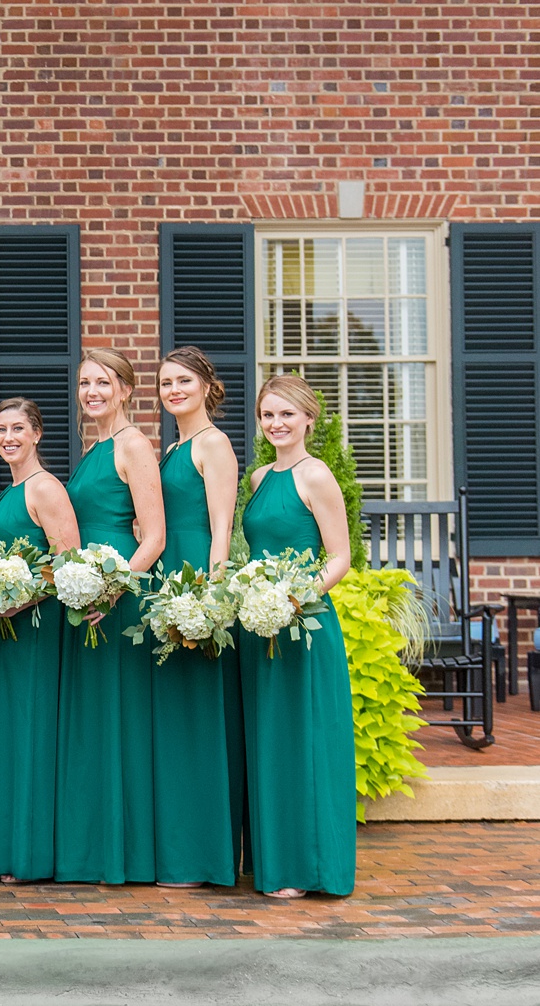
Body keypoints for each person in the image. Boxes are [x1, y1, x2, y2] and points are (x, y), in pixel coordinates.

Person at [240, 374, 356, 898]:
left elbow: (340, 557)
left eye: (287, 414)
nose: (276, 424)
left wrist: (294, 597)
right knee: (271, 742)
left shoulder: (317, 475)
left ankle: (311, 869)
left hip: (304, 625)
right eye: (268, 415)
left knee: (304, 742)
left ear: (309, 419)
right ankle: (275, 863)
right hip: (261, 628)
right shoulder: (260, 478)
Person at [56, 348, 165, 885]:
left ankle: (125, 854)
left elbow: (155, 535)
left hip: (118, 602)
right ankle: (97, 849)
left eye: (103, 382)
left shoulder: (132, 444)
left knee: (118, 720)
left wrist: (112, 590)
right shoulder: (94, 448)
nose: (92, 392)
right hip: (88, 598)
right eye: (84, 383)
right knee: (95, 722)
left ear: (126, 389)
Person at [0, 398, 78, 885]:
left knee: (30, 731)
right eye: (0, 430)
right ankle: (3, 850)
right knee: (7, 736)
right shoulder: (9, 491)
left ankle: (29, 854)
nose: (8, 438)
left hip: (33, 628)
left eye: (18, 429)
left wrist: (20, 597)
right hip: (2, 628)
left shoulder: (45, 488)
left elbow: (67, 560)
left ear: (37, 434)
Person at [153, 347, 243, 888]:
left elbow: (221, 530)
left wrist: (206, 602)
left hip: (193, 588)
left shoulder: (213, 444)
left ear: (207, 385)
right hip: (165, 584)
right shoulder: (171, 448)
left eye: (184, 380)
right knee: (174, 723)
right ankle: (177, 850)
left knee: (199, 721)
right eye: (165, 382)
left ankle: (204, 857)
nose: (174, 390)